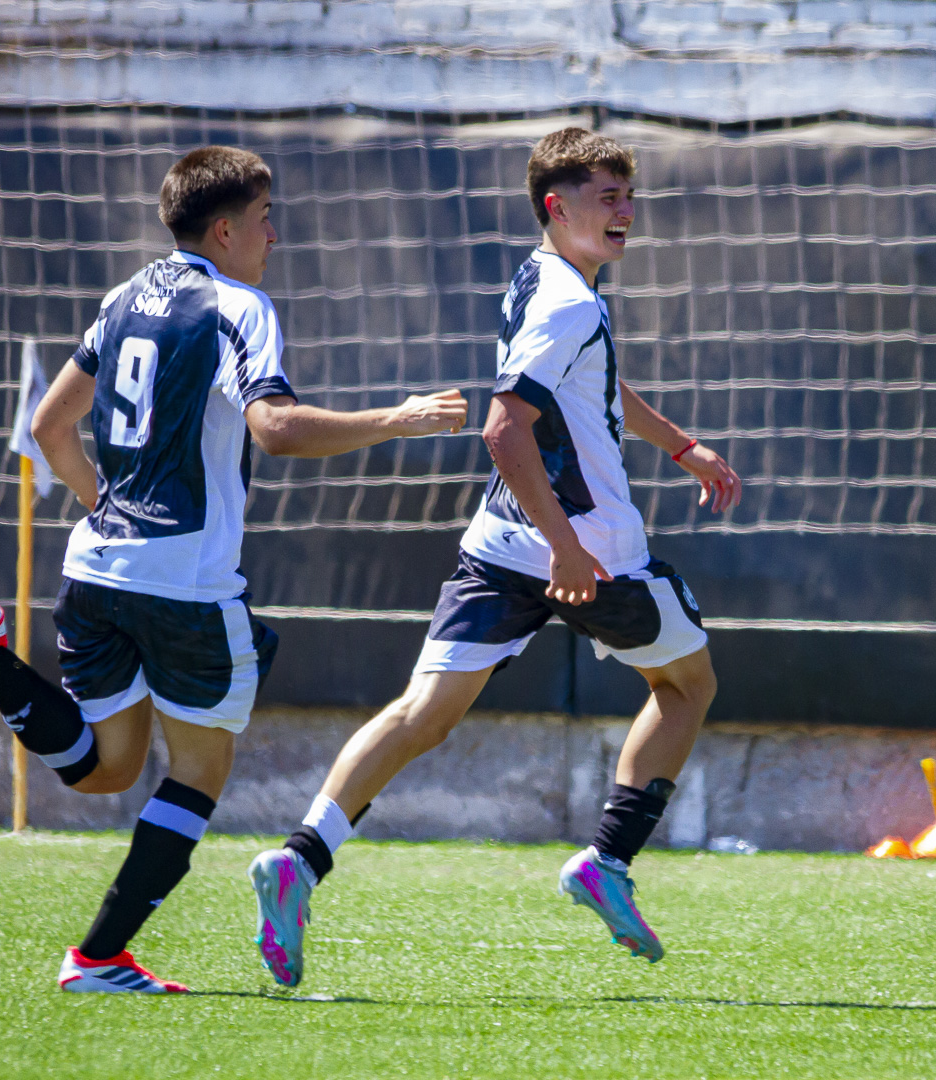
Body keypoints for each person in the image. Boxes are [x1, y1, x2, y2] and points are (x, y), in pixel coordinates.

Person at [0, 146, 467, 993]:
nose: (274, 235)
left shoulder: (125, 296)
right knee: (199, 771)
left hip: (97, 569)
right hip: (183, 584)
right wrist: (399, 418)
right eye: (265, 218)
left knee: (107, 769)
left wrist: (108, 510)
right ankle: (97, 958)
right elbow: (276, 429)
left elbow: (49, 428)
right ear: (224, 230)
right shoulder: (241, 306)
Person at [245, 127, 742, 988]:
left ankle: (299, 858)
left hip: (499, 543)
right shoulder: (571, 303)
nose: (625, 211)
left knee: (423, 715)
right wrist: (569, 549)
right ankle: (607, 861)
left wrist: (680, 445)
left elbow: (591, 382)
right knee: (688, 686)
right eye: (607, 197)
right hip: (592, 554)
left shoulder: (539, 277)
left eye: (629, 196)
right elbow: (504, 428)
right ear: (557, 205)